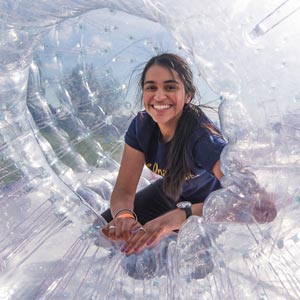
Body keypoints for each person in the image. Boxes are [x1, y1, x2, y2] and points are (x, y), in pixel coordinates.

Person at [100, 53, 226, 256]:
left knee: (183, 267)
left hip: (206, 205)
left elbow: (249, 201)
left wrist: (179, 217)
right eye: (151, 87)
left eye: (170, 87)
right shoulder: (142, 126)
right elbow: (124, 189)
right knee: (107, 230)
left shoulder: (204, 140)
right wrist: (124, 216)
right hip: (169, 192)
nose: (159, 96)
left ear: (188, 95)